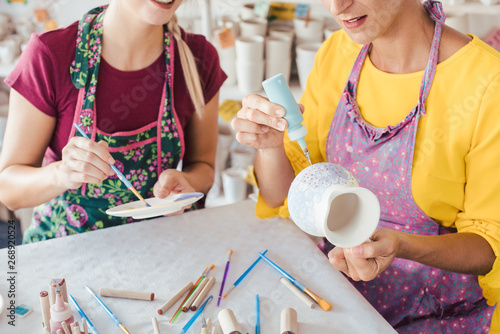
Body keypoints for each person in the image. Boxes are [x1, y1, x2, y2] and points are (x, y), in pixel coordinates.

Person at [232, 0, 500, 332]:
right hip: (344, 298)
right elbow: (282, 195)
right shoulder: (337, 52)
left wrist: (400, 245)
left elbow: (488, 246)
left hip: (436, 313)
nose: (336, 7)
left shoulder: (488, 85)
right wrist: (270, 147)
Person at [0, 0, 226, 242]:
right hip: (70, 246)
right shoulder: (50, 55)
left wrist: (188, 182)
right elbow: (8, 190)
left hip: (161, 243)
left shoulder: (199, 57)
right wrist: (61, 174)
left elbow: (204, 167)